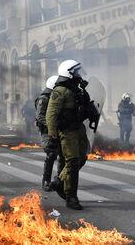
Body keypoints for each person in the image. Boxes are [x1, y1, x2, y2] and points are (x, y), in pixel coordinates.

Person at [46, 60, 98, 210]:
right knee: (73, 162)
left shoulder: (77, 88)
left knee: (82, 158)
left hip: (78, 128)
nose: (79, 74)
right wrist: (52, 134)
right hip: (67, 131)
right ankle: (71, 197)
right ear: (68, 73)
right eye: (76, 71)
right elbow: (51, 114)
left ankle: (58, 182)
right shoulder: (60, 90)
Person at [36, 75, 65, 192]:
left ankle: (59, 180)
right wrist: (51, 124)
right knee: (51, 154)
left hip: (59, 130)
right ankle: (46, 181)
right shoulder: (44, 98)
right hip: (47, 131)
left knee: (63, 155)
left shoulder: (57, 97)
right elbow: (39, 116)